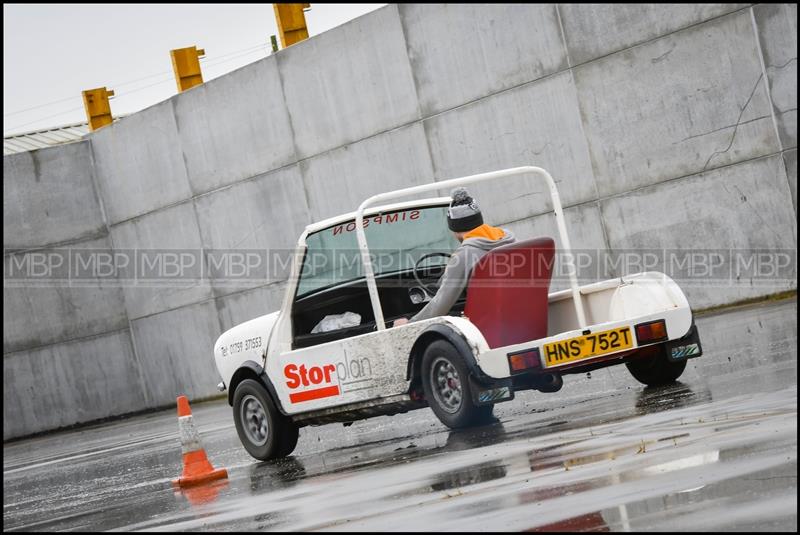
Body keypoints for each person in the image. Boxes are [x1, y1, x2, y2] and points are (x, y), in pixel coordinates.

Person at [394, 187, 515, 326]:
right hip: (518, 314)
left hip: (488, 325)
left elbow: (441, 304)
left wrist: (410, 324)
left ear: (454, 229)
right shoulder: (510, 239)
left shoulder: (463, 256)